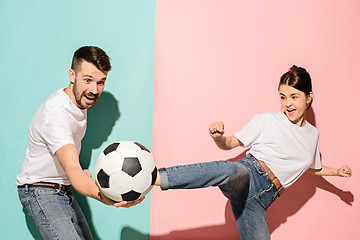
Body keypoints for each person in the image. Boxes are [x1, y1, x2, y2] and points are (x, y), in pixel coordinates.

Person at [155, 65, 352, 240]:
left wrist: (336, 172)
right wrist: (218, 138)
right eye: (283, 97)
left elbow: (311, 168)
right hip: (250, 175)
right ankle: (155, 177)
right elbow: (230, 143)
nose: (288, 104)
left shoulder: (313, 135)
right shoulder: (267, 120)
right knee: (231, 171)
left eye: (294, 97)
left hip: (261, 201)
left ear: (309, 97)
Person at [16, 46, 143, 240]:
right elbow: (73, 169)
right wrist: (107, 197)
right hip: (40, 190)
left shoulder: (77, 102)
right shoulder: (56, 115)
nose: (94, 90)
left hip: (63, 189)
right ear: (72, 75)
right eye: (88, 80)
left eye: (101, 82)